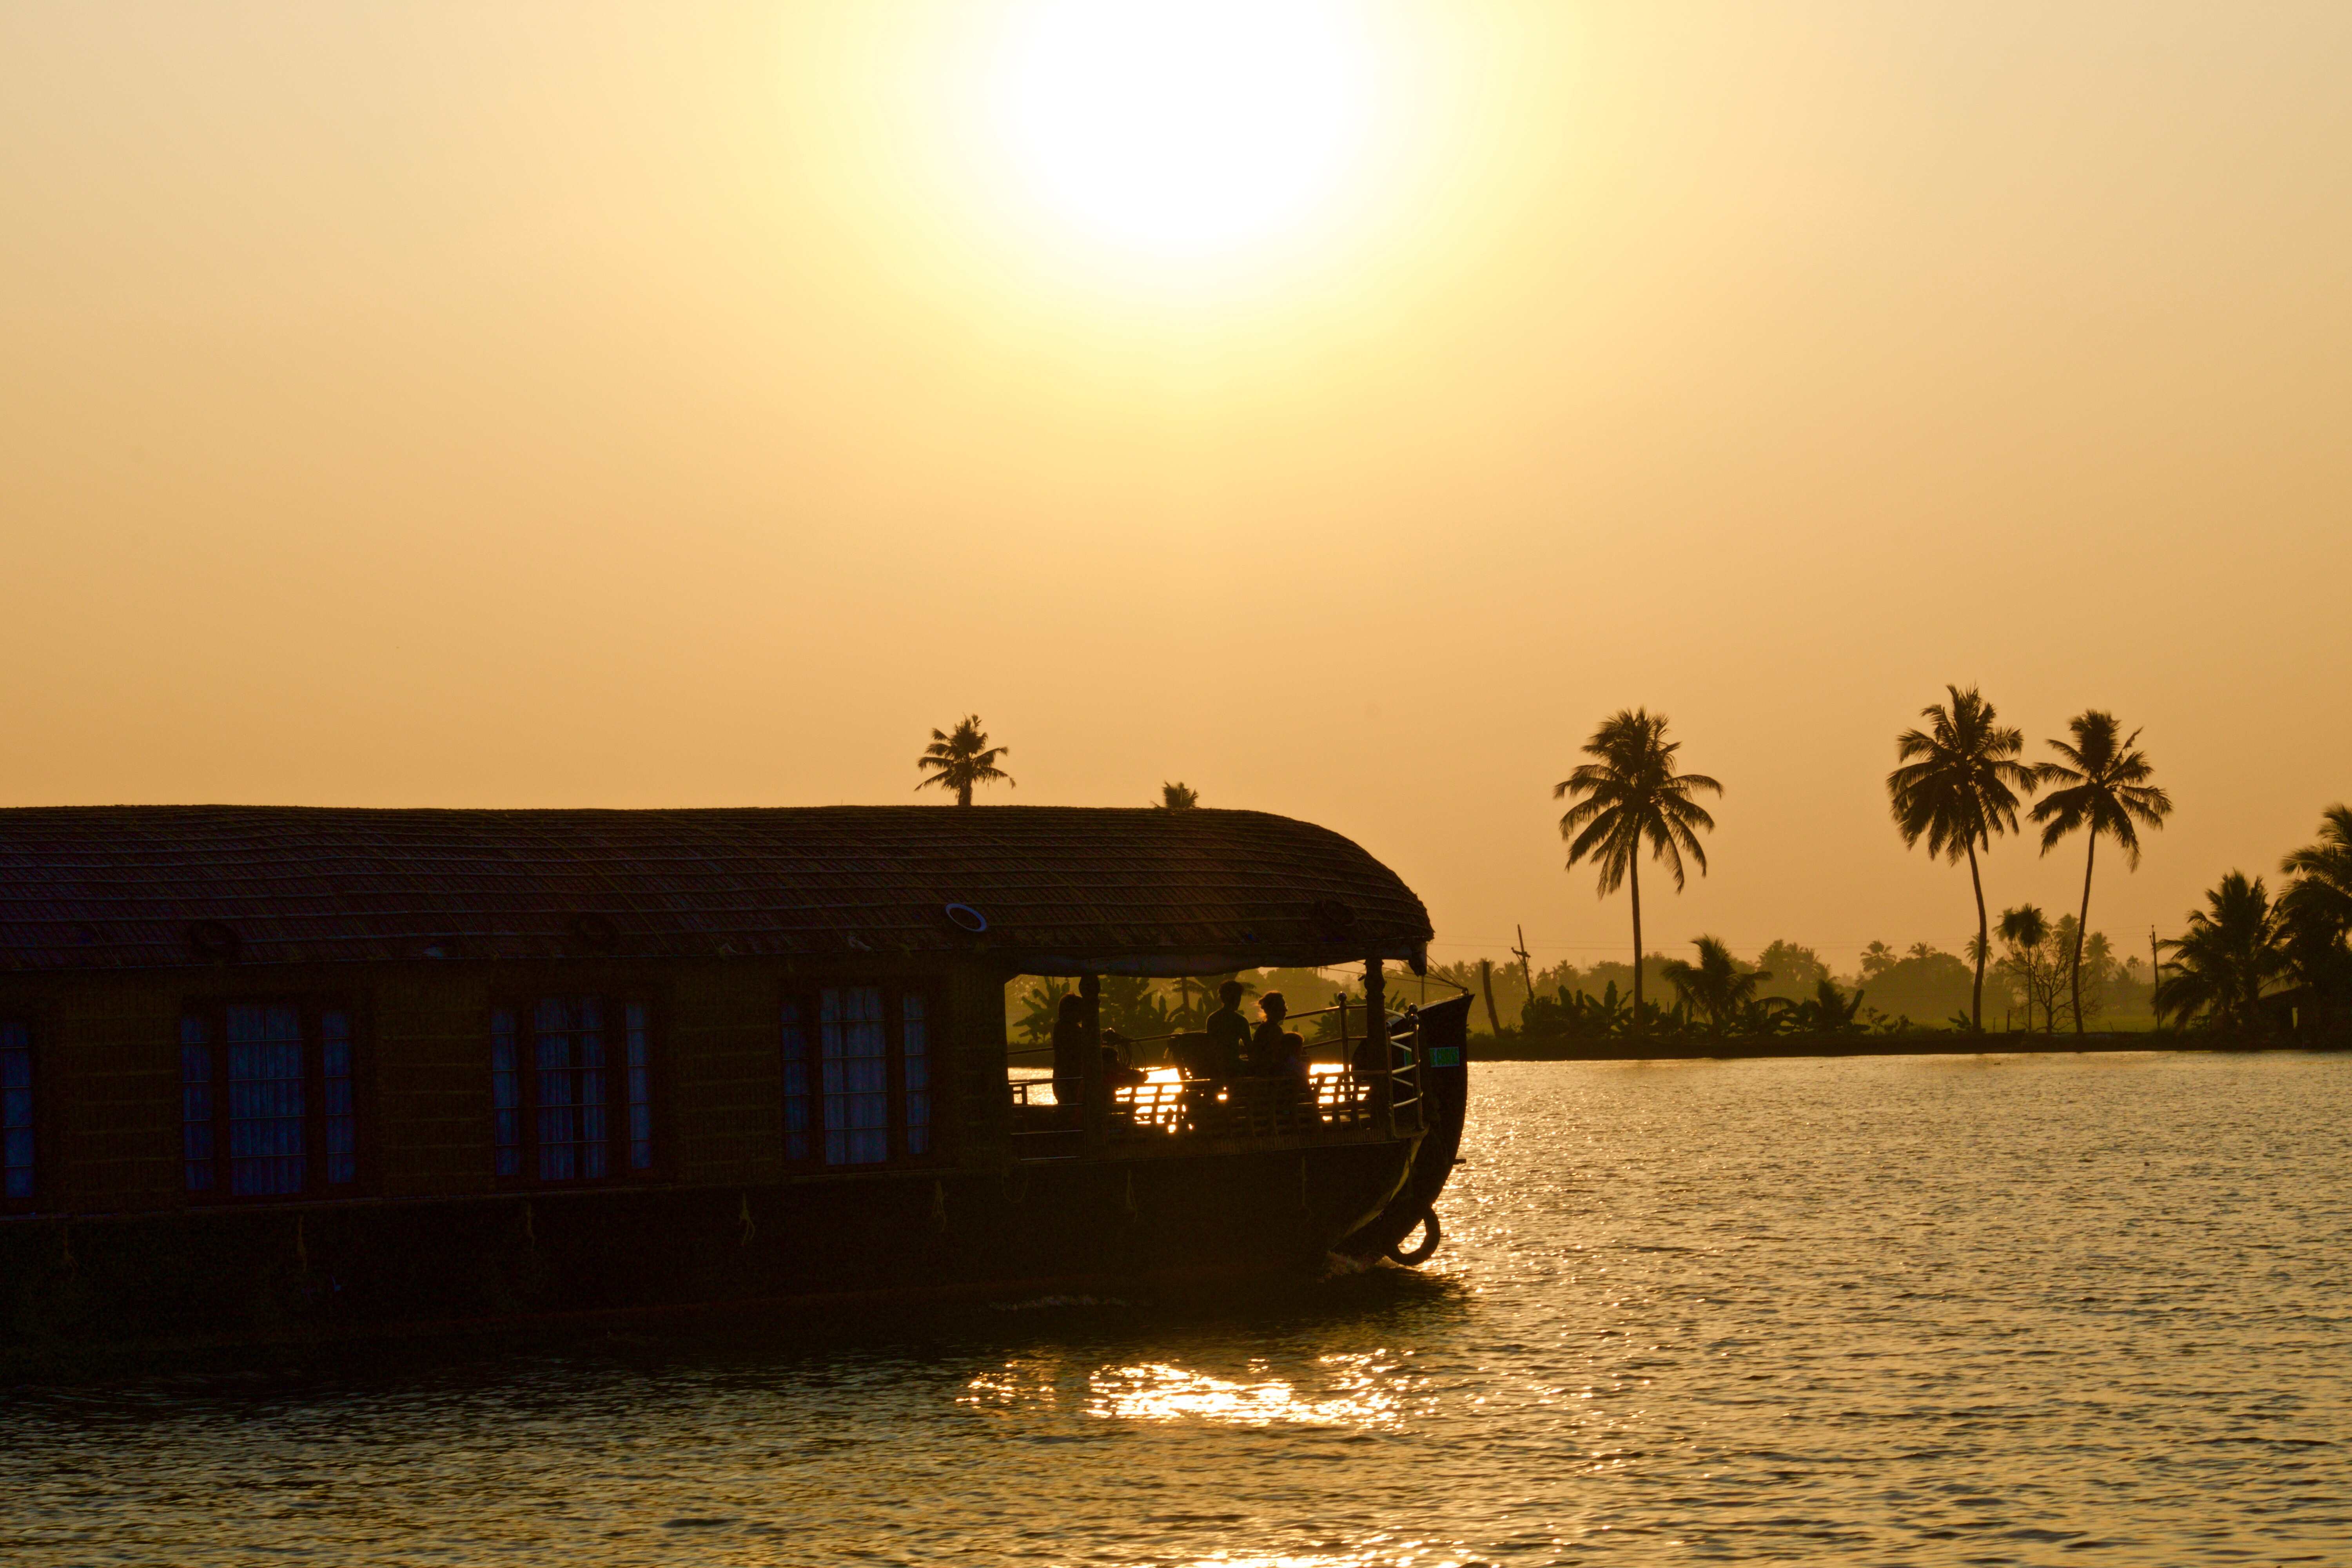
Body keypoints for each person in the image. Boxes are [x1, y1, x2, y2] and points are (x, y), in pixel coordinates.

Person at [1050, 992, 1089, 1122]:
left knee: (1068, 1107)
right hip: (1070, 1080)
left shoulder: (1060, 1027)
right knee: (1071, 1107)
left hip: (1064, 1078)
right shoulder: (1070, 1030)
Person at [1202, 979, 1251, 1083]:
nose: (1238, 1001)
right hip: (1233, 1067)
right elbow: (1250, 1049)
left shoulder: (1212, 1019)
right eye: (1237, 997)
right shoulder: (1240, 1021)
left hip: (1215, 1067)